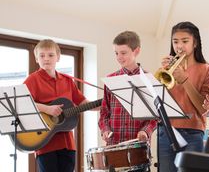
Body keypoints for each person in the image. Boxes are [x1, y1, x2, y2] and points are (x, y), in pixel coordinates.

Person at [157, 21, 209, 172]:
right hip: (166, 132)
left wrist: (184, 80)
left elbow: (204, 108)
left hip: (193, 133)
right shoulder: (166, 69)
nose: (179, 46)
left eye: (185, 41)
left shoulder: (208, 70)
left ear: (195, 43)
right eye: (175, 41)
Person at [24, 39, 89, 172]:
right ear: (36, 59)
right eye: (42, 55)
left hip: (68, 144)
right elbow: (22, 104)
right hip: (45, 144)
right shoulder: (32, 80)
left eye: (51, 55)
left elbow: (83, 103)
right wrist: (47, 109)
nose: (46, 59)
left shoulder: (67, 81)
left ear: (58, 57)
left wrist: (104, 103)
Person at [98, 31, 157, 146]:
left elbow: (155, 116)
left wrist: (145, 131)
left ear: (136, 51)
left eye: (123, 53)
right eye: (116, 53)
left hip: (139, 147)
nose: (119, 57)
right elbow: (104, 113)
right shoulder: (110, 80)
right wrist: (105, 129)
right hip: (113, 145)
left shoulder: (149, 80)